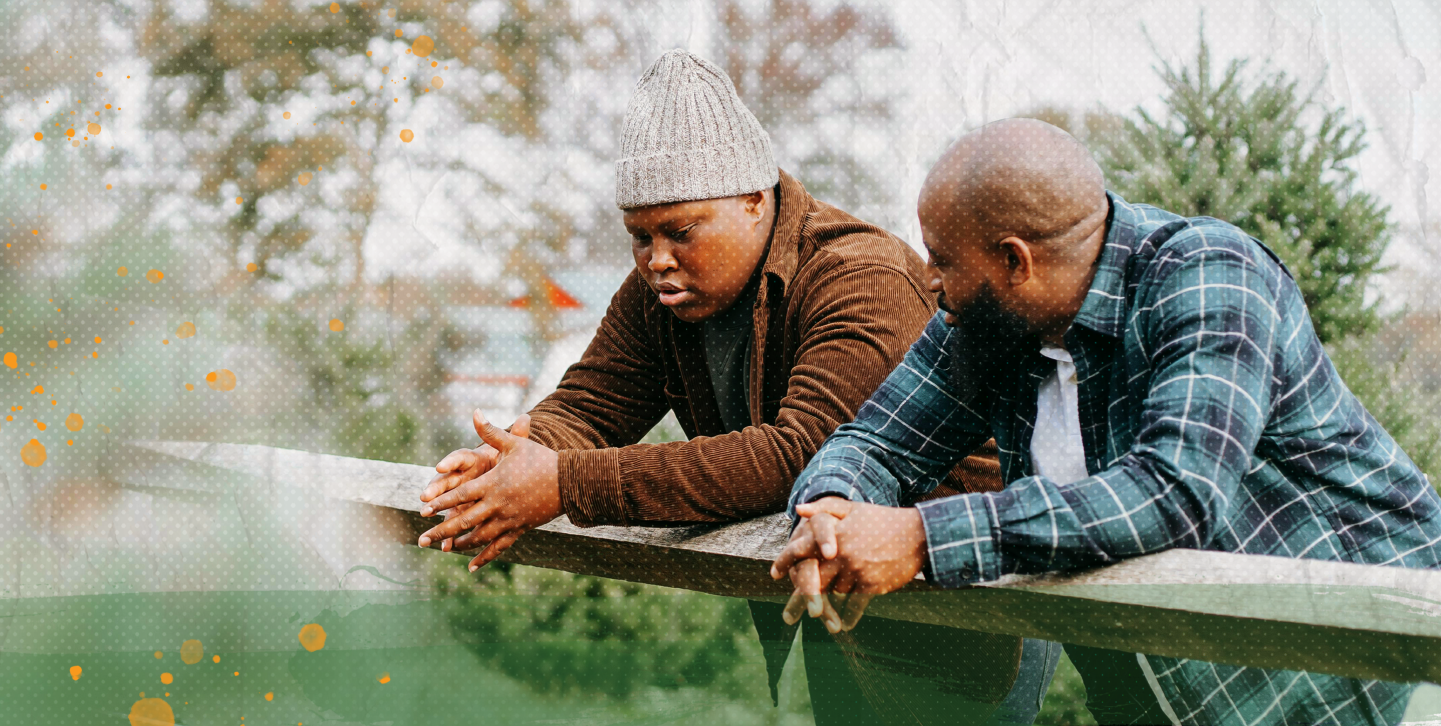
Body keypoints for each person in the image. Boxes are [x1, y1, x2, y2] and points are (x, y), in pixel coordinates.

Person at [414, 49, 1059, 724]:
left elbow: (802, 456)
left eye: (681, 232)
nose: (657, 258)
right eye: (639, 236)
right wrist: (516, 456)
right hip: (839, 592)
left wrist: (565, 483)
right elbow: (592, 403)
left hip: (962, 605)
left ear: (755, 199)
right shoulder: (660, 293)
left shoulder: (860, 277)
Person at [773, 117, 1441, 725]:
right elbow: (874, 441)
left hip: (1379, 674)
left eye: (942, 258)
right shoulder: (989, 324)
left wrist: (923, 538)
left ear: (1014, 261)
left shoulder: (1209, 276)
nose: (929, 279)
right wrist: (833, 512)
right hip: (1163, 692)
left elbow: (1175, 493)